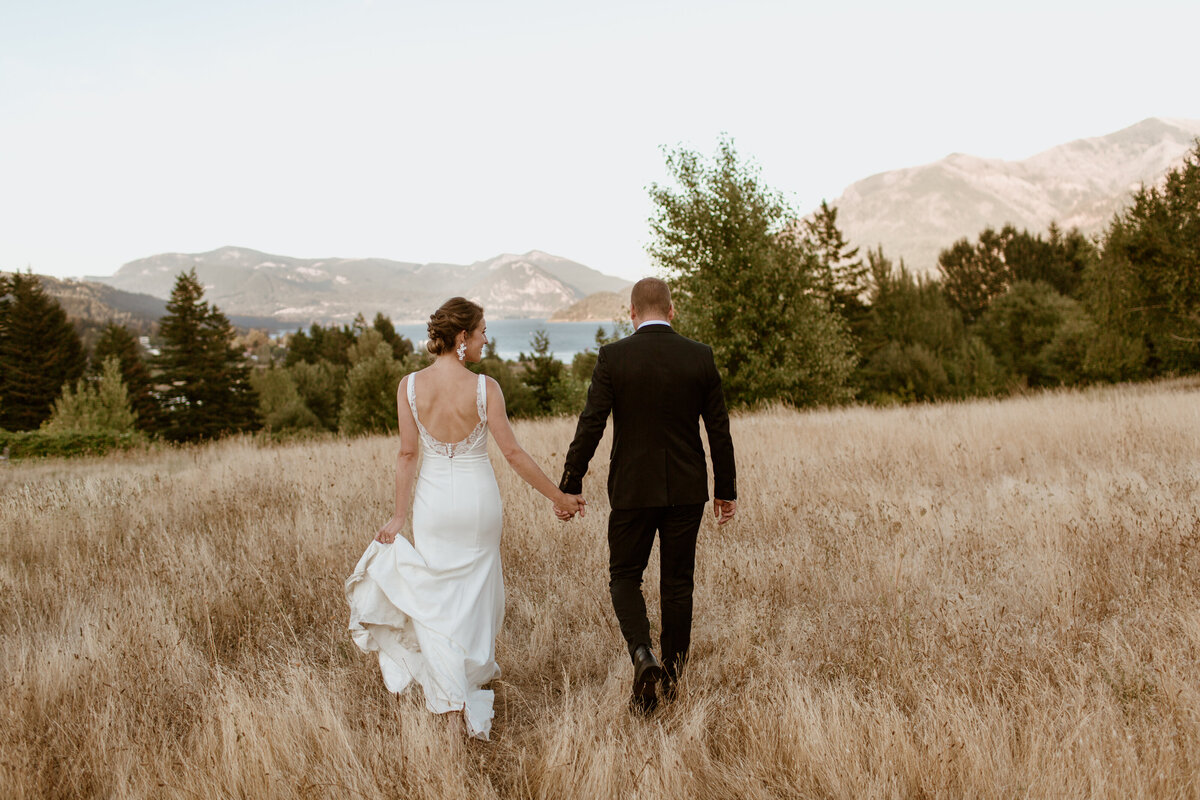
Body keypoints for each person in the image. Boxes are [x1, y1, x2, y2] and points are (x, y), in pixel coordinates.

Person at [345, 297, 583, 740]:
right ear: (461, 339)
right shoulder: (484, 388)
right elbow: (511, 453)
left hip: (432, 508)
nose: (485, 339)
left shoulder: (409, 386)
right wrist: (559, 496)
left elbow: (406, 454)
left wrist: (400, 516)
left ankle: (449, 700)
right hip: (478, 506)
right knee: (475, 598)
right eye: (481, 332)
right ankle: (461, 688)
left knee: (437, 601)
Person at [555, 277, 737, 713]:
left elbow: (591, 424)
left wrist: (570, 483)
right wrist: (724, 490)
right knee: (677, 584)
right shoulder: (699, 356)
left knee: (624, 576)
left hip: (633, 489)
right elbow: (719, 431)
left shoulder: (613, 357)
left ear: (631, 313)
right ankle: (672, 683)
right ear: (672, 311)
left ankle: (641, 655)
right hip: (687, 488)